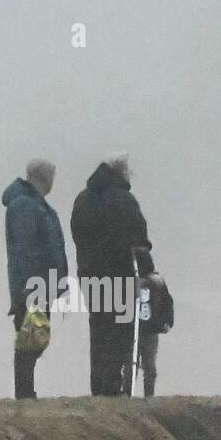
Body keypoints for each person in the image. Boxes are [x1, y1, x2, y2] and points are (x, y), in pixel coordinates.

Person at [70, 153, 151, 396]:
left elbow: (77, 236)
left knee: (98, 330)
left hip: (90, 276)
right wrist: (148, 271)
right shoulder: (125, 200)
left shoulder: (82, 199)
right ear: (122, 171)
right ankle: (113, 387)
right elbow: (139, 240)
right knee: (119, 332)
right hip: (120, 275)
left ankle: (99, 388)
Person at [2, 159, 68, 399]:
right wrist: (33, 288)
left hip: (41, 285)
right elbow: (26, 249)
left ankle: (26, 390)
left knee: (35, 337)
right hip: (34, 286)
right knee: (30, 339)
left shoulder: (33, 204)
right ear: (44, 177)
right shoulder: (25, 206)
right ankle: (24, 391)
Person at [125, 247, 173, 397]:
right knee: (130, 365)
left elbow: (167, 303)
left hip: (150, 330)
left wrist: (167, 321)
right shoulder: (128, 282)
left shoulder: (156, 282)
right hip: (132, 329)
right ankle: (127, 393)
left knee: (149, 366)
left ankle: (149, 395)